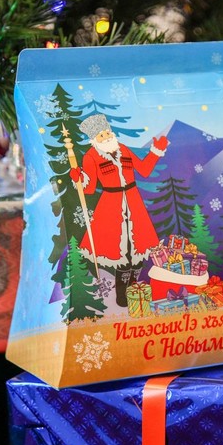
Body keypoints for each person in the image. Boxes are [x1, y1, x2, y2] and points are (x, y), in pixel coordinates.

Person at [70, 113, 168, 306]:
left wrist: (156, 151)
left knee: (139, 247)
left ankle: (135, 289)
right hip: (111, 205)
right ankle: (122, 296)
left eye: (107, 133)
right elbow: (89, 189)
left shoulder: (123, 149)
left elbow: (144, 170)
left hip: (133, 201)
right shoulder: (91, 157)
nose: (106, 137)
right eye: (101, 135)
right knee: (120, 251)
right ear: (94, 139)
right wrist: (78, 179)